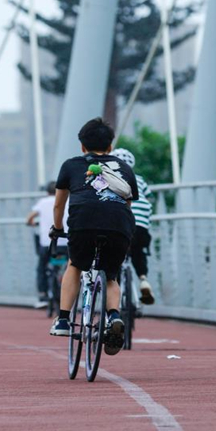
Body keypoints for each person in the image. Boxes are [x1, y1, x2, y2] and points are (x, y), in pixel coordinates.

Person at [49, 118, 138, 356]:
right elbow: (127, 205)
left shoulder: (70, 165)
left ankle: (64, 320)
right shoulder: (125, 168)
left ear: (82, 146)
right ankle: (114, 317)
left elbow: (59, 205)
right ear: (110, 147)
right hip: (118, 225)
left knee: (75, 265)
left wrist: (57, 229)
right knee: (111, 276)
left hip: (83, 224)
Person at [110, 148, 155, 305]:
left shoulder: (110, 178)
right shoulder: (140, 180)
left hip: (122, 225)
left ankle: (114, 298)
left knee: (114, 257)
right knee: (137, 251)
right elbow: (148, 199)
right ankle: (143, 279)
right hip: (142, 226)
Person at [26, 181, 68, 304]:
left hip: (48, 244)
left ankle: (43, 293)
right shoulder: (68, 200)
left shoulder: (43, 202)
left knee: (42, 267)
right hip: (66, 242)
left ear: (47, 192)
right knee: (72, 266)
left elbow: (29, 218)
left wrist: (31, 223)